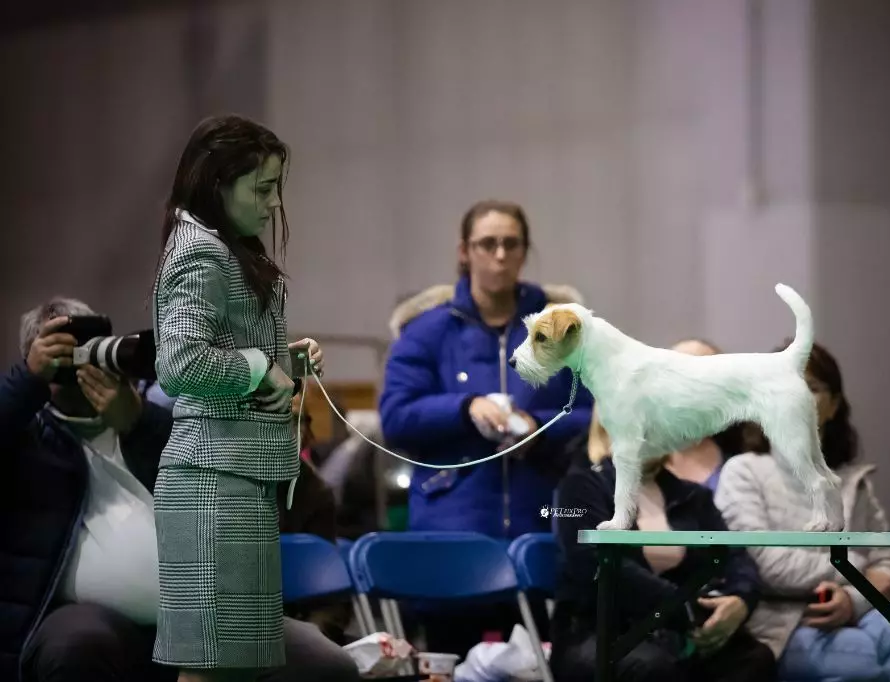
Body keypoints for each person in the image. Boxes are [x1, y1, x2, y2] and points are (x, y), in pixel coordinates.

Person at [3, 297, 359, 682]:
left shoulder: (151, 413)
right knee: (76, 647)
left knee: (326, 664)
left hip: (202, 616)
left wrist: (136, 421)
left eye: (88, 345)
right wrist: (29, 380)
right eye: (60, 350)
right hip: (95, 622)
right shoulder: (28, 436)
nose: (79, 361)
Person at [151, 115, 336, 682]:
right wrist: (260, 369)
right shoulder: (200, 253)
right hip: (211, 484)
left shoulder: (222, 249)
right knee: (208, 671)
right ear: (217, 183)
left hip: (237, 480)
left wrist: (283, 360)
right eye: (262, 188)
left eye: (276, 186)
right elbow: (178, 363)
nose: (274, 202)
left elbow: (220, 349)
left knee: (237, 671)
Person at [378, 199, 594, 657]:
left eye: (510, 244)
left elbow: (598, 418)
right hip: (451, 535)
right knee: (449, 663)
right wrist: (464, 408)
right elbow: (395, 417)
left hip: (542, 530)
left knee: (546, 664)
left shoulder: (563, 330)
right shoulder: (425, 333)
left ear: (524, 251)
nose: (499, 255)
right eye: (487, 244)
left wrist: (539, 427)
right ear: (464, 251)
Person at [717, 341, 890, 682]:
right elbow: (765, 564)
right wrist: (855, 566)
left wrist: (852, 599)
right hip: (784, 624)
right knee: (866, 656)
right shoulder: (744, 471)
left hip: (856, 610)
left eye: (813, 387)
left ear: (833, 406)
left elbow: (889, 563)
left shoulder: (853, 480)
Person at [548, 405, 777, 682]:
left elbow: (736, 557)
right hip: (598, 631)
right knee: (654, 667)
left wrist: (740, 601)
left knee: (754, 659)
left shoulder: (695, 497)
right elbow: (592, 564)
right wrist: (686, 609)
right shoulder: (577, 488)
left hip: (677, 632)